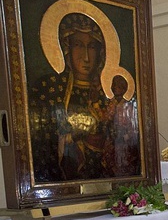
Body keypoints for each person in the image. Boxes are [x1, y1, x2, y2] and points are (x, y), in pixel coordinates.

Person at [29, 13, 120, 182]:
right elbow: (41, 139)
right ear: (66, 48)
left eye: (92, 47)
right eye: (78, 45)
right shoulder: (50, 88)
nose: (85, 57)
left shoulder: (109, 91)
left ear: (101, 52)